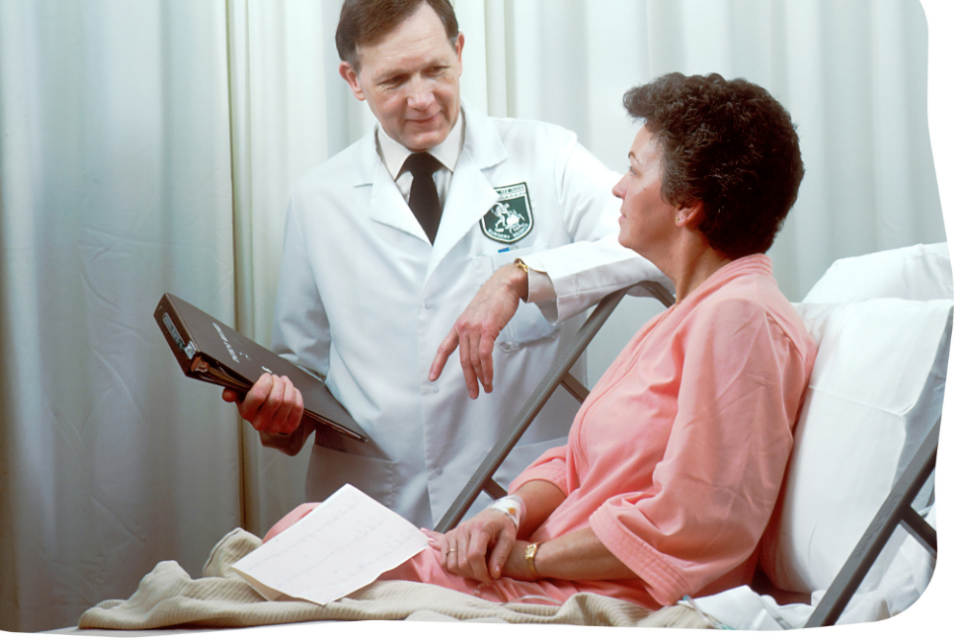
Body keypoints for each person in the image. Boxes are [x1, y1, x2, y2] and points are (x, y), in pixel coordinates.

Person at [262, 72, 818, 610]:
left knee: (303, 548)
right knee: (310, 531)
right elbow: (576, 462)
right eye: (393, 79)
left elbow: (693, 524)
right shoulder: (687, 315)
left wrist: (528, 559)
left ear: (687, 206)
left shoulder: (740, 319)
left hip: (586, 590)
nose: (617, 187)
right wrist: (505, 513)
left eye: (633, 170)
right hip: (539, 565)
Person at [224, 0, 665, 528]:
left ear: (459, 51)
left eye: (436, 70)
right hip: (376, 506)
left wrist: (520, 275)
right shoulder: (318, 199)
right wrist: (278, 418)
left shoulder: (546, 155)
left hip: (520, 499)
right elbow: (301, 369)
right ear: (353, 80)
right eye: (393, 80)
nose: (421, 99)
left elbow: (656, 242)